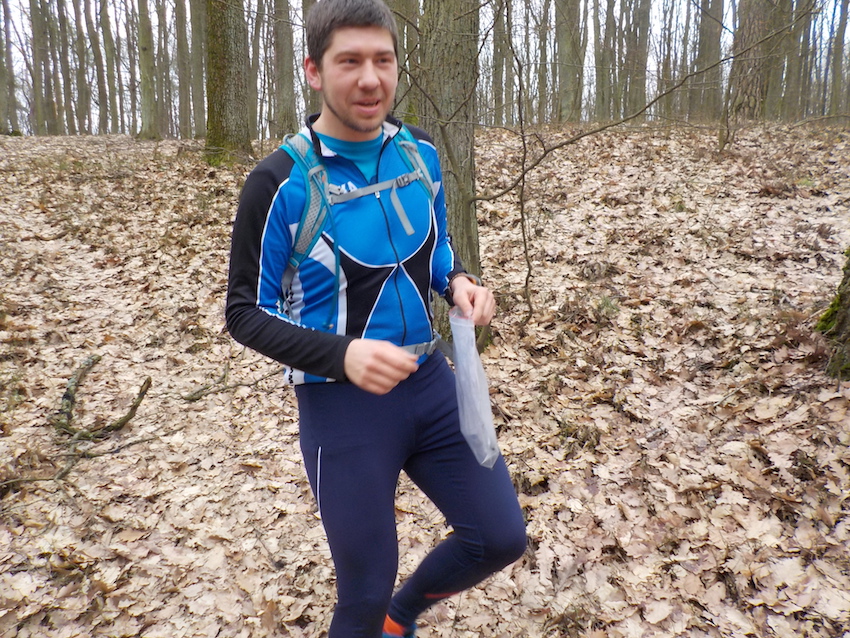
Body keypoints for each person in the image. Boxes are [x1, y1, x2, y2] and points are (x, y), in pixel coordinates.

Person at [225, 0, 526, 635]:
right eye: (350, 62)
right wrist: (342, 355)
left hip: (430, 382)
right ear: (313, 70)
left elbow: (438, 248)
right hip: (341, 406)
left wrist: (459, 283)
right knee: (362, 593)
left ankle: (403, 616)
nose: (370, 79)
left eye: (383, 60)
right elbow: (245, 312)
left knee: (499, 536)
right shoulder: (279, 183)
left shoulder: (419, 153)